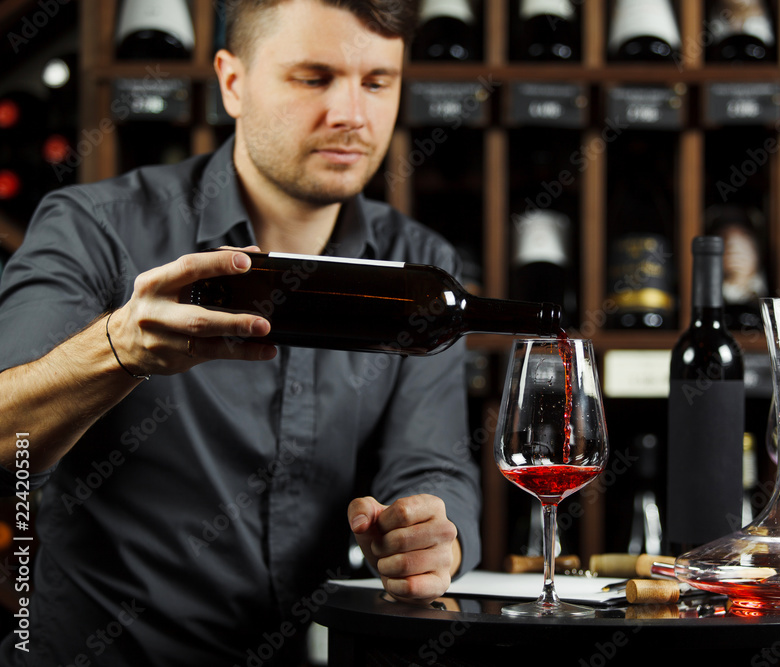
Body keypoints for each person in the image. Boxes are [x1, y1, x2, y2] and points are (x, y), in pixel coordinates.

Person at [0, 0, 481, 664]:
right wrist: (117, 347)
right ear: (232, 82)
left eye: (377, 82)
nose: (351, 114)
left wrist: (434, 530)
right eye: (314, 78)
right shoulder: (94, 228)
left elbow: (433, 463)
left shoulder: (421, 272)